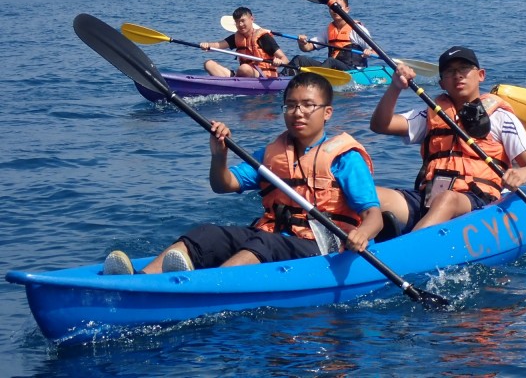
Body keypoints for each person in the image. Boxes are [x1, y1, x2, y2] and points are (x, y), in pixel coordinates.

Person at [103, 72, 383, 275]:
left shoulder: (345, 158)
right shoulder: (272, 153)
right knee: (207, 233)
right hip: (273, 235)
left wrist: (361, 234)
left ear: (327, 112)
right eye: (291, 105)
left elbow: (374, 216)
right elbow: (223, 185)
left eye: (308, 105)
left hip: (322, 245)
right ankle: (143, 280)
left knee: (264, 242)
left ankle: (211, 287)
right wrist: (219, 155)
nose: (298, 112)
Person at [369, 46, 526, 235]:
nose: (458, 75)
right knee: (369, 194)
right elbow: (380, 125)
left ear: (481, 75)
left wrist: (523, 172)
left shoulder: (501, 117)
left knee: (447, 200)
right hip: (429, 197)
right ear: (442, 83)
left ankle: (403, 252)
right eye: (450, 72)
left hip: (477, 199)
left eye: (464, 69)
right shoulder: (432, 114)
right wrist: (395, 87)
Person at [288, 0, 374, 72]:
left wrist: (369, 52)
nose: (335, 10)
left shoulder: (357, 29)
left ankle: (317, 80)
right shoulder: (328, 30)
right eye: (332, 8)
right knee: (299, 59)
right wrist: (301, 43)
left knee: (331, 61)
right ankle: (282, 79)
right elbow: (307, 48)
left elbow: (376, 51)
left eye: (339, 7)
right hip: (332, 69)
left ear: (347, 10)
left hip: (352, 70)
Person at [200, 6, 289, 77]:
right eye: (237, 22)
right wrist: (207, 45)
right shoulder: (237, 37)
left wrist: (279, 62)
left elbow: (285, 59)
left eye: (243, 21)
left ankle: (235, 80)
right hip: (243, 73)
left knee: (244, 68)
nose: (240, 25)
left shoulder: (264, 37)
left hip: (263, 75)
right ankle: (233, 80)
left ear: (252, 19)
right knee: (208, 64)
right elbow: (218, 45)